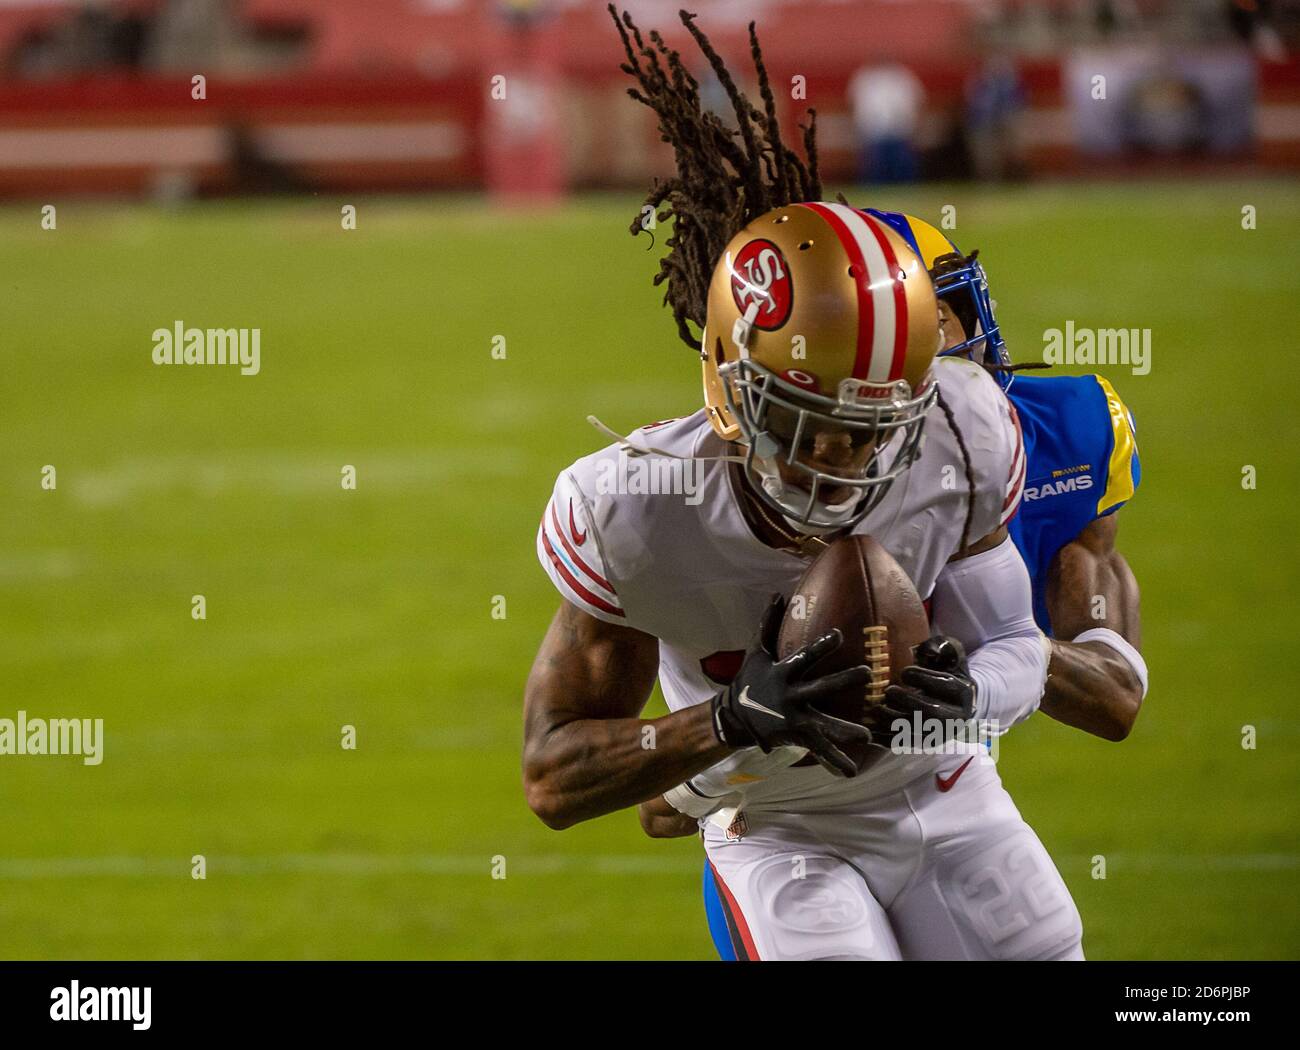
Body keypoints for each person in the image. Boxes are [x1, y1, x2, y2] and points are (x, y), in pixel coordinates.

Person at [523, 9, 1082, 961]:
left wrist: (967, 697)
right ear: (730, 386)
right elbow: (553, 777)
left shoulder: (964, 423)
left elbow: (1018, 646)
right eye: (808, 426)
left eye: (870, 435)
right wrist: (731, 719)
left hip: (946, 787)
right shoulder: (635, 507)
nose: (839, 464)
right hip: (772, 823)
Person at [665, 212, 1147, 959]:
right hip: (783, 815)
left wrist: (978, 680)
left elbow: (1115, 698)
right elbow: (647, 791)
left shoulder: (1059, 438)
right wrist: (722, 743)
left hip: (951, 789)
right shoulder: (757, 492)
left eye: (946, 314)